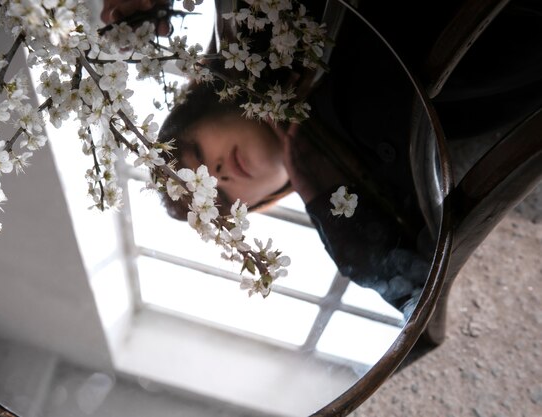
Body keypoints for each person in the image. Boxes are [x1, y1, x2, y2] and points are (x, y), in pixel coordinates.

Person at [100, 0, 433, 316]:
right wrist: (324, 205)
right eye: (221, 197)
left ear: (206, 106)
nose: (217, 176)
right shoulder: (366, 208)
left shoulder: (252, 20)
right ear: (255, 203)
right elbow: (423, 293)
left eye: (199, 155)